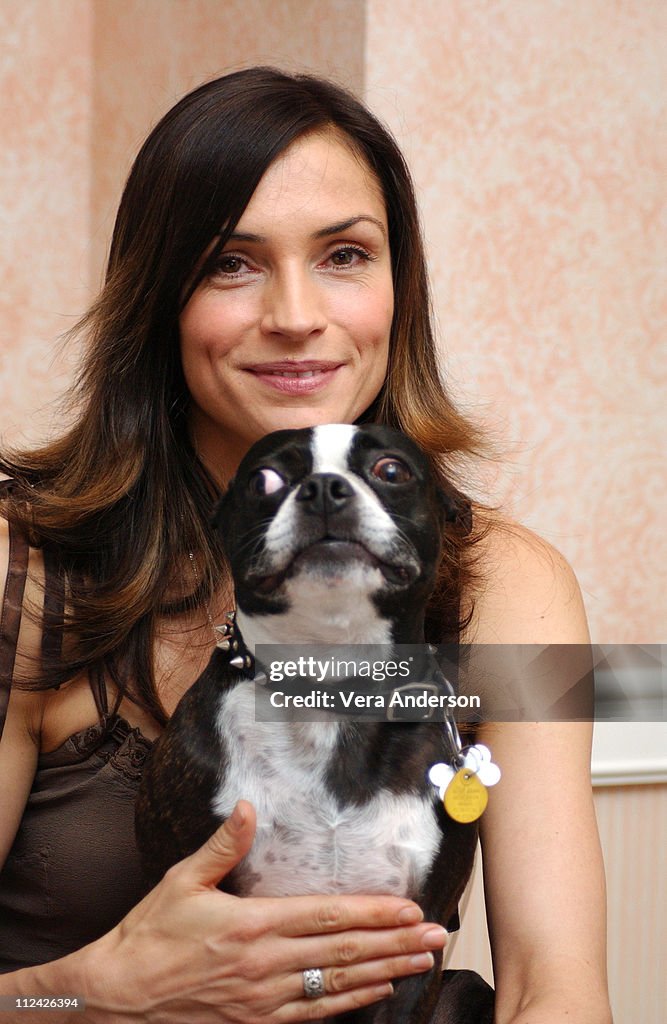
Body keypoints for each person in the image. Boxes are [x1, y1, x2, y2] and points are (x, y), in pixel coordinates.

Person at [0, 67, 611, 1023]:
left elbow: (555, 992)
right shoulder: (25, 567)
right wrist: (90, 992)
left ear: (397, 286)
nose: (294, 314)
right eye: (229, 263)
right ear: (158, 297)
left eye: (343, 255)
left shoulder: (509, 581)